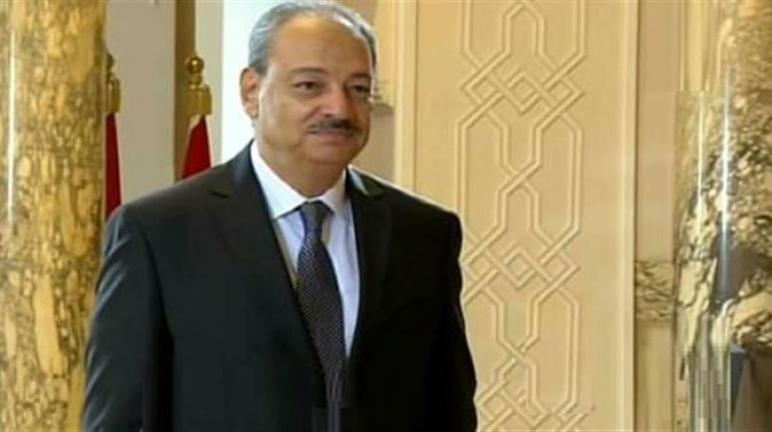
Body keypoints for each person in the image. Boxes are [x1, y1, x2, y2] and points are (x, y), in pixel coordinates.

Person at [83, 2, 477, 431]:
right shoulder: (160, 234)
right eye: (310, 86)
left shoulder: (423, 235)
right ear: (251, 91)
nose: (339, 108)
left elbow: (449, 411)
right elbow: (119, 419)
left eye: (359, 89)